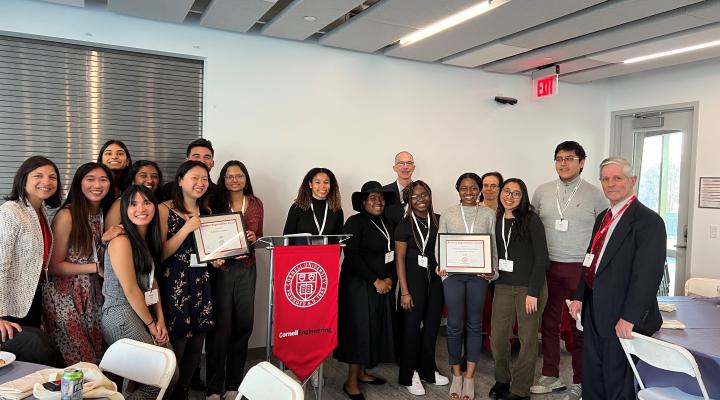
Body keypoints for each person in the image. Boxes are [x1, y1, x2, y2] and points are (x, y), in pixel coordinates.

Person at [570, 157, 665, 400]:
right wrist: (579, 297)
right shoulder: (604, 216)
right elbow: (590, 259)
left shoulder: (649, 221)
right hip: (594, 311)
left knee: (617, 382)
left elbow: (648, 276)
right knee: (592, 375)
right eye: (605, 179)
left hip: (621, 317)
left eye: (617, 178)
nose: (611, 184)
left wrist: (629, 317)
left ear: (632, 181)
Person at [530, 141, 607, 399]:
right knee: (548, 323)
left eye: (570, 158)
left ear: (582, 162)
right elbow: (533, 230)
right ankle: (550, 375)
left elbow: (603, 235)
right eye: (559, 158)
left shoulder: (596, 195)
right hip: (548, 266)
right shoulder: (541, 192)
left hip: (579, 268)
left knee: (579, 326)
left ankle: (581, 381)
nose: (563, 163)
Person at [102, 185, 171, 400]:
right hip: (120, 312)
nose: (141, 208)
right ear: (125, 209)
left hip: (143, 311)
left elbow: (152, 283)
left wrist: (160, 320)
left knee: (171, 374)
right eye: (133, 204)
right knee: (155, 381)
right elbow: (131, 291)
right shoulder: (122, 240)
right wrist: (151, 324)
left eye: (147, 202)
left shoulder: (146, 239)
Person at [44, 162, 114, 365]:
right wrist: (96, 267)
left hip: (93, 294)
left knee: (96, 357)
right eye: (90, 179)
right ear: (79, 183)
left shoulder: (103, 214)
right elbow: (54, 266)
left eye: (103, 179)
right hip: (65, 297)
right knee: (79, 361)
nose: (97, 185)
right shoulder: (68, 215)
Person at [335, 181, 398, 400]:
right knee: (359, 330)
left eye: (380, 198)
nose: (377, 202)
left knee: (373, 328)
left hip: (383, 284)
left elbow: (395, 254)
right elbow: (352, 257)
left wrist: (390, 278)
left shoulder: (389, 222)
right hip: (359, 286)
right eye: (372, 198)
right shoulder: (354, 222)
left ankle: (362, 373)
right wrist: (375, 281)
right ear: (363, 202)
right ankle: (351, 382)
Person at [436, 173, 498, 400]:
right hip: (452, 276)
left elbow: (492, 245)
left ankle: (470, 377)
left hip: (478, 277)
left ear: (480, 189)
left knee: (474, 324)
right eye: (464, 188)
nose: (469, 192)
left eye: (473, 188)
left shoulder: (489, 214)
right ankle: (457, 375)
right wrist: (442, 266)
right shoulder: (449, 214)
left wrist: (491, 270)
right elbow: (440, 242)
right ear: (458, 190)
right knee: (453, 325)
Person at [206, 161, 264, 400]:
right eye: (229, 176)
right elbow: (207, 235)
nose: (234, 180)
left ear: (245, 178)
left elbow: (259, 235)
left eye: (239, 176)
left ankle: (233, 384)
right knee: (220, 328)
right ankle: (213, 388)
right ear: (223, 179)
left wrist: (254, 236)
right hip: (222, 271)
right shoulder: (213, 202)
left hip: (246, 269)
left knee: (243, 326)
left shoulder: (256, 202)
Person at [0, 156, 65, 367]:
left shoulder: (40, 211)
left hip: (31, 298)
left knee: (27, 364)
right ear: (23, 179)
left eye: (52, 177)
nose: (46, 181)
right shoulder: (11, 211)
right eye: (38, 175)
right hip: (8, 304)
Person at [158, 160, 214, 400]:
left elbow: (207, 250)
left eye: (204, 178)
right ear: (180, 181)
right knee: (177, 341)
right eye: (195, 178)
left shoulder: (208, 211)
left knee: (198, 338)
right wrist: (187, 228)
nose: (200, 183)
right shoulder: (163, 209)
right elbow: (160, 252)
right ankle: (166, 392)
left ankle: (183, 392)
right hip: (175, 283)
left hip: (202, 280)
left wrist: (216, 258)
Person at [489, 178, 549, 400]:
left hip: (529, 288)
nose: (510, 196)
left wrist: (533, 291)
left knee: (527, 339)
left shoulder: (531, 220)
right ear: (500, 192)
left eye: (516, 193)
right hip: (503, 285)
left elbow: (542, 258)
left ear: (522, 197)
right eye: (507, 191)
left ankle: (521, 389)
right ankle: (502, 380)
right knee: (498, 337)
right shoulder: (494, 219)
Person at [395, 180, 448, 396]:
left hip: (435, 282)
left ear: (430, 195)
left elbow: (446, 248)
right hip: (413, 283)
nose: (420, 199)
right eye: (415, 196)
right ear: (408, 200)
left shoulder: (439, 221)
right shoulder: (404, 224)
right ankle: (409, 374)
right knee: (411, 329)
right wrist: (405, 291)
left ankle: (428, 368)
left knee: (432, 327)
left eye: (424, 194)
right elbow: (399, 259)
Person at [283, 167, 343, 238]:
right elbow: (287, 239)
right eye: (317, 182)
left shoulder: (336, 209)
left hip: (327, 249)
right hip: (301, 249)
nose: (323, 186)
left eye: (326, 182)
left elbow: (338, 240)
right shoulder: (297, 207)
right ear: (310, 184)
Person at [105, 160, 164, 230]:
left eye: (154, 176)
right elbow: (109, 234)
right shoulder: (120, 204)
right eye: (143, 176)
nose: (150, 180)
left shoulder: (161, 204)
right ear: (133, 180)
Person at [383, 151, 415, 226]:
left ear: (413, 168)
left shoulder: (422, 192)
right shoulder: (384, 192)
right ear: (394, 168)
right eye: (401, 163)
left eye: (409, 163)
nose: (405, 167)